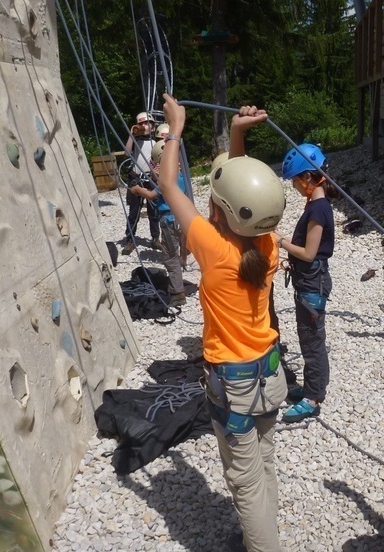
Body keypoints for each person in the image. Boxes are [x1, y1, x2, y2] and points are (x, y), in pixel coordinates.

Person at [159, 93, 288, 552]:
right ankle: (264, 535)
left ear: (219, 211)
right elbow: (241, 191)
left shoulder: (213, 250)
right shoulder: (267, 245)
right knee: (264, 463)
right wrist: (237, 134)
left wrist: (174, 129)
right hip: (270, 373)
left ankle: (263, 546)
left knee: (245, 483)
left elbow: (167, 183)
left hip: (233, 384)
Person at [274, 143, 340, 423]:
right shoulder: (316, 205)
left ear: (309, 178)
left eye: (295, 181)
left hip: (313, 283)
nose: (294, 186)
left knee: (312, 341)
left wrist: (281, 241)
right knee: (309, 338)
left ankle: (313, 397)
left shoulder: (318, 210)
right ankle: (312, 387)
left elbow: (309, 253)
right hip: (310, 280)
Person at [127, 139, 186, 306]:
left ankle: (178, 292)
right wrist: (156, 175)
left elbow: (152, 195)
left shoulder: (167, 181)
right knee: (180, 248)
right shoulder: (181, 177)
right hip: (181, 220)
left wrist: (138, 190)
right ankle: (183, 260)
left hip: (169, 223)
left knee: (169, 257)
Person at [121, 111, 161, 255]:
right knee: (134, 212)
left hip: (150, 179)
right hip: (136, 178)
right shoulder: (136, 142)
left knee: (153, 211)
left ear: (153, 126)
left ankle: (155, 238)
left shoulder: (156, 143)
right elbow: (127, 153)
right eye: (141, 124)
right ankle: (130, 239)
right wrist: (132, 134)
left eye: (147, 123)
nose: (144, 126)